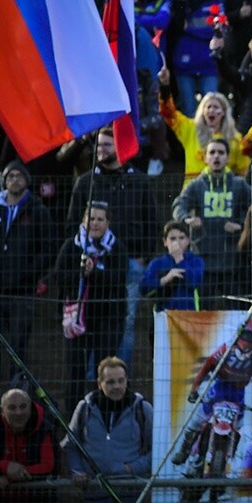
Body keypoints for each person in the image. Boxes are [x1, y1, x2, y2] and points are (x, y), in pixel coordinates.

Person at [0, 161, 55, 418]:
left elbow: (47, 249)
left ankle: (17, 397)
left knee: (18, 344)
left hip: (21, 292)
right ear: (3, 181)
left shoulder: (38, 211)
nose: (15, 179)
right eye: (10, 176)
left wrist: (29, 274)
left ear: (27, 180)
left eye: (19, 175)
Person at [65, 128, 157, 369]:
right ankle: (94, 381)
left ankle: (119, 378)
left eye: (107, 145)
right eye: (98, 145)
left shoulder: (139, 181)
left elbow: (152, 223)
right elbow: (72, 223)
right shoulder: (86, 182)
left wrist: (143, 257)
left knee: (126, 321)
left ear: (120, 147)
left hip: (130, 264)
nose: (100, 150)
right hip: (91, 264)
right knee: (89, 319)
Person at [62, 357, 152, 503]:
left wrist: (132, 468)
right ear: (99, 383)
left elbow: (157, 450)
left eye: (121, 380)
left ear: (127, 381)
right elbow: (71, 445)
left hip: (130, 495)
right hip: (95, 495)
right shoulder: (84, 409)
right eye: (110, 382)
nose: (117, 386)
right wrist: (77, 471)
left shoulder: (142, 409)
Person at [54, 202, 129, 410]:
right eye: (91, 219)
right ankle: (74, 417)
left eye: (100, 219)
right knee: (75, 372)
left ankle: (104, 412)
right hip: (78, 319)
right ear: (83, 221)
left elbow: (119, 280)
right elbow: (59, 277)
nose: (95, 223)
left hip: (109, 319)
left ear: (108, 223)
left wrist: (94, 273)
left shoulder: (117, 248)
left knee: (105, 371)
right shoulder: (71, 246)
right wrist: (80, 273)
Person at [171, 138, 252, 308]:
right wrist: (186, 218)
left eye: (221, 152)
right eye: (212, 152)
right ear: (205, 158)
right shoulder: (196, 185)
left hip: (232, 259)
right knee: (204, 310)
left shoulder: (239, 184)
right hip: (203, 258)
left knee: (236, 310)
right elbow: (179, 204)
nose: (216, 156)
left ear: (228, 158)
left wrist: (241, 225)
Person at [172, 329, 252, 467]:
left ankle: (231, 458)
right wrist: (194, 389)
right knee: (197, 419)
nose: (245, 352)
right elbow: (206, 366)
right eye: (243, 346)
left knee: (240, 427)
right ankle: (184, 451)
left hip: (238, 395)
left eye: (249, 348)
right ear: (237, 341)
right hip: (219, 389)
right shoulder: (225, 349)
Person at [158, 67, 248, 185]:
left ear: (224, 112)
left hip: (223, 191)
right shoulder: (190, 128)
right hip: (193, 191)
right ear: (202, 111)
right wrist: (164, 86)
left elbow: (244, 170)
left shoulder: (235, 138)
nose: (211, 110)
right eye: (208, 107)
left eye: (216, 107)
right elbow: (168, 113)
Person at [166, 0, 221, 116]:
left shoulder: (213, 0)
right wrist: (181, 3)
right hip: (183, 65)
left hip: (208, 63)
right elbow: (175, 30)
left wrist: (189, 29)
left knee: (211, 109)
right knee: (188, 111)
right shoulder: (176, 1)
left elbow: (215, 30)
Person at [140, 221, 204, 311]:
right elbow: (143, 288)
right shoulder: (157, 263)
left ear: (188, 240)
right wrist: (165, 279)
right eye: (173, 239)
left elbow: (196, 282)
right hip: (164, 314)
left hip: (189, 314)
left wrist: (179, 259)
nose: (177, 242)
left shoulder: (195, 261)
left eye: (181, 238)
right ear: (165, 242)